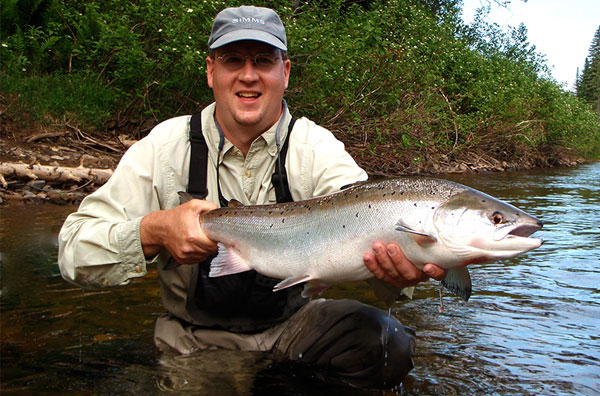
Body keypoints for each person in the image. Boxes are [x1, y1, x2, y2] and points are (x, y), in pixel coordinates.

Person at [58, 5, 446, 389]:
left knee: (387, 343)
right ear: (211, 72)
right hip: (192, 342)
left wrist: (404, 265)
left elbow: (372, 223)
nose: (248, 76)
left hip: (293, 330)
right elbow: (74, 253)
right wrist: (152, 231)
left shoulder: (316, 149)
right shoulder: (164, 147)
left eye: (263, 60)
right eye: (232, 61)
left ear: (285, 72)